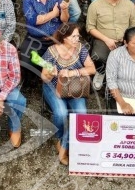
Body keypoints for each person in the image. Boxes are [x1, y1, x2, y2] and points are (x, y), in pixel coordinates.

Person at [40, 23, 96, 165]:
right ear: (64, 37)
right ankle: (60, 138)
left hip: (75, 87)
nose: (77, 39)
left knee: (81, 114)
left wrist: (72, 73)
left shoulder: (80, 49)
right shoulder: (51, 52)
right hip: (53, 87)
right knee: (61, 113)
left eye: (78, 36)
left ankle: (64, 145)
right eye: (73, 36)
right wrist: (50, 73)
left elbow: (92, 69)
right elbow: (44, 77)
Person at [86, 0, 135, 88]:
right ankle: (100, 73)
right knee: (98, 56)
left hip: (124, 40)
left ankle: (122, 78)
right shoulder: (95, 5)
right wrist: (107, 39)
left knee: (129, 58)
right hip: (103, 39)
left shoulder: (129, 5)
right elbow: (90, 28)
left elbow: (134, 25)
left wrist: (127, 40)